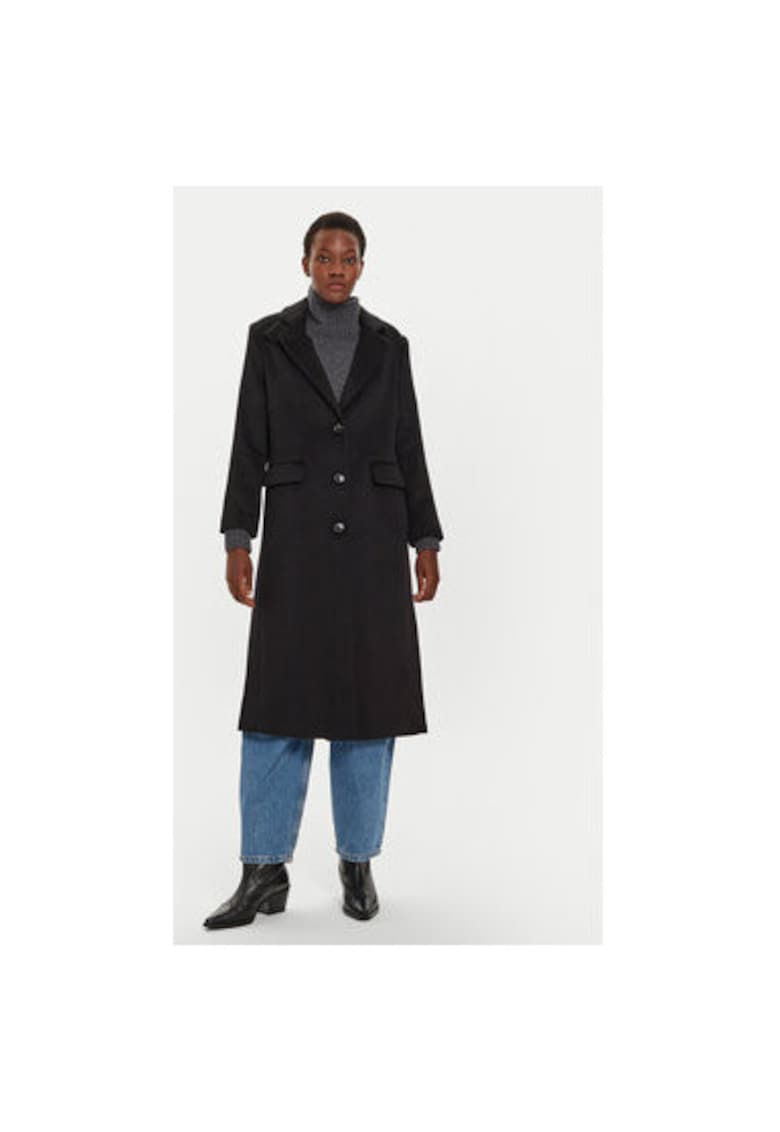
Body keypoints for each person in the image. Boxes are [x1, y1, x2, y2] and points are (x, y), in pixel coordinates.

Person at [203, 211, 444, 930]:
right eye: (324, 256)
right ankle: (263, 871)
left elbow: (408, 441)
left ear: (362, 265)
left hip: (374, 541)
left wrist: (425, 538)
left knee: (370, 710)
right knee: (277, 704)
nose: (336, 268)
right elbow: (248, 439)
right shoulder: (269, 340)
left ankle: (357, 862)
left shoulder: (390, 346)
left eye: (349, 257)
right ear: (305, 262)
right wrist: (238, 537)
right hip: (297, 544)